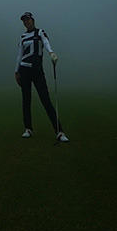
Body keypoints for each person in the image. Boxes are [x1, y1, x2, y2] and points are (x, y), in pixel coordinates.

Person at [15, 11, 68, 142]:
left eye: (28, 20)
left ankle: (59, 131)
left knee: (45, 100)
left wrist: (51, 53)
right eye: (24, 21)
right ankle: (28, 128)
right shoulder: (23, 36)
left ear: (32, 20)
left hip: (37, 70)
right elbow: (19, 54)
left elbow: (46, 43)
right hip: (24, 70)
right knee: (26, 101)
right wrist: (16, 71)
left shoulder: (39, 32)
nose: (26, 22)